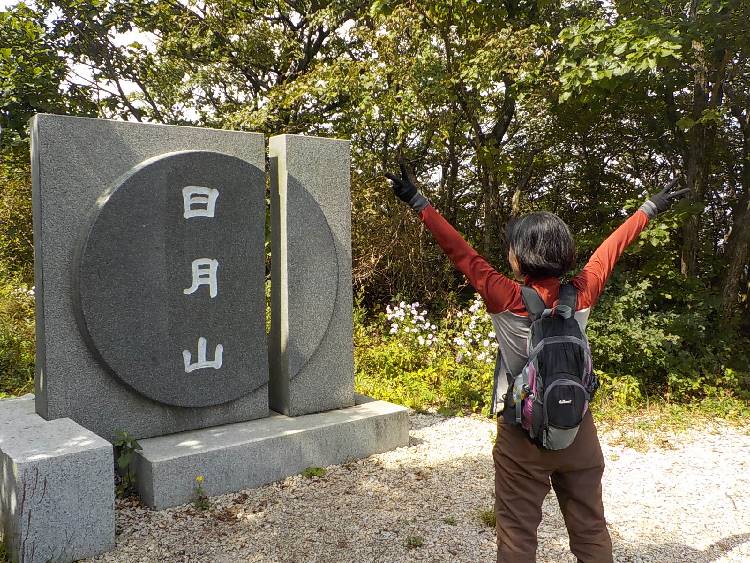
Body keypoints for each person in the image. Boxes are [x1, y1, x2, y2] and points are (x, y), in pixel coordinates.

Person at [386, 162, 688, 563]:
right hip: (577, 427)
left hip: (521, 433)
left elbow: (459, 251)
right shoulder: (582, 291)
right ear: (564, 253)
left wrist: (416, 199)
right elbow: (611, 249)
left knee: (517, 533)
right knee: (590, 526)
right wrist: (650, 207)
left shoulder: (503, 294)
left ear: (519, 257)